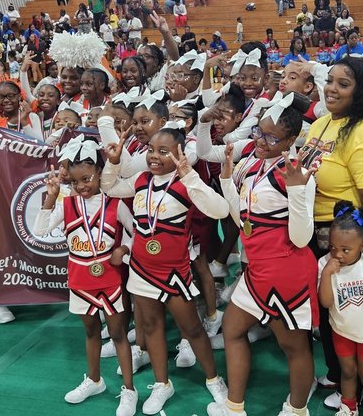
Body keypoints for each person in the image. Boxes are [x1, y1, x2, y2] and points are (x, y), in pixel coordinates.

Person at [101, 122, 230, 415]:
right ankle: (162, 384)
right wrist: (115, 161)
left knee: (193, 329)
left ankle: (214, 379)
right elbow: (108, 186)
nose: (154, 156)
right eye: (151, 150)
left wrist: (191, 175)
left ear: (180, 153)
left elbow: (220, 210)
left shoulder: (186, 183)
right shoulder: (140, 180)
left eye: (164, 151)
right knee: (152, 327)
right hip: (141, 269)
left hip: (174, 273)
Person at [205, 95, 319, 416]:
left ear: (291, 140)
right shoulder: (251, 163)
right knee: (233, 330)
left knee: (293, 347)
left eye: (270, 138)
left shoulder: (296, 173)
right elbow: (239, 218)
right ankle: (234, 407)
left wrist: (298, 191)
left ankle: (296, 410)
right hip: (256, 270)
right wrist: (227, 178)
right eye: (258, 132)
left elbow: (301, 237)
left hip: (287, 271)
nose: (260, 141)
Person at [296, 58, 363, 410]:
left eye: (343, 84)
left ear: (361, 90)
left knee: (355, 309)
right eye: (330, 80)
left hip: (348, 236)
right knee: (331, 309)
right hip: (314, 230)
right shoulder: (321, 123)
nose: (332, 88)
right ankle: (339, 374)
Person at [35, 139, 138, 416]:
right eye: (75, 182)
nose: (81, 187)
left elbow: (139, 233)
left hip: (111, 281)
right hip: (80, 280)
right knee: (91, 333)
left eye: (87, 179)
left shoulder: (116, 205)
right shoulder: (67, 205)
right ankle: (94, 380)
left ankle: (129, 390)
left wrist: (125, 248)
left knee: (117, 334)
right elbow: (39, 230)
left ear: (101, 173)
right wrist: (52, 195)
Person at [318, 201, 363, 416]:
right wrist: (327, 274)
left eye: (346, 250)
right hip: (342, 332)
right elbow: (326, 303)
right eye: (333, 247)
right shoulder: (324, 264)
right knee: (347, 372)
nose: (338, 254)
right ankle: (348, 408)